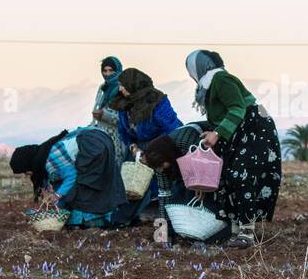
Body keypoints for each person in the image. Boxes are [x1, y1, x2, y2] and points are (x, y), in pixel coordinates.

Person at [185, 50, 282, 248]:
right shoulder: (210, 85)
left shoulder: (221, 79)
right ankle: (236, 230)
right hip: (240, 130)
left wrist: (217, 133)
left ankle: (247, 232)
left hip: (254, 128)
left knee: (242, 175)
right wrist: (214, 131)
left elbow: (237, 107)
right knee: (229, 176)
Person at [10, 125, 126, 229]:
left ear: (30, 164)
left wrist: (57, 195)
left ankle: (87, 222)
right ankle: (101, 220)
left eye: (25, 171)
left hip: (92, 145)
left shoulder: (50, 159)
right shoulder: (45, 152)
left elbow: (71, 176)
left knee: (86, 186)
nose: (27, 175)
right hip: (101, 139)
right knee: (97, 183)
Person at [109, 68, 182, 219]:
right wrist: (133, 147)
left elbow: (172, 128)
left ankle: (166, 215)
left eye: (123, 84)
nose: (120, 88)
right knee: (133, 182)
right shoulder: (124, 104)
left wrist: (151, 152)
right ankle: (128, 218)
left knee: (162, 182)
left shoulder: (157, 101)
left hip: (162, 146)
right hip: (138, 148)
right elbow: (123, 131)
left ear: (134, 84)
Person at [140, 122, 224, 240]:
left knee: (198, 196)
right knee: (177, 197)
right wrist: (163, 230)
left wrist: (200, 185)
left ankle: (215, 230)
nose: (161, 170)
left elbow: (205, 165)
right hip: (181, 163)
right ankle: (179, 231)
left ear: (167, 158)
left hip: (207, 159)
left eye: (163, 166)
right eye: (160, 168)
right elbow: (164, 194)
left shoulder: (186, 144)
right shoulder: (159, 163)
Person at [90, 55, 124, 150]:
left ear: (118, 70)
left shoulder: (123, 90)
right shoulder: (102, 88)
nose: (108, 74)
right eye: (104, 71)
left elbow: (126, 121)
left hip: (116, 139)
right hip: (99, 137)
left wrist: (104, 115)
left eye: (111, 70)